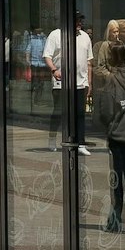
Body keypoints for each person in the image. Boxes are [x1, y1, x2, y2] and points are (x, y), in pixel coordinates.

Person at [91, 30, 125, 233]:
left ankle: (118, 219)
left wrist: (108, 126)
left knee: (120, 180)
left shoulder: (113, 81)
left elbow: (104, 113)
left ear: (112, 58)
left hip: (119, 136)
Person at [44, 13, 94, 154]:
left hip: (80, 82)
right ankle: (52, 139)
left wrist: (89, 82)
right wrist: (54, 70)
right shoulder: (55, 35)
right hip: (61, 82)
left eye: (80, 21)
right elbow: (47, 55)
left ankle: (80, 143)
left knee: (80, 113)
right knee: (59, 112)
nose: (79, 23)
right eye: (76, 20)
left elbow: (89, 61)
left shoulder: (85, 36)